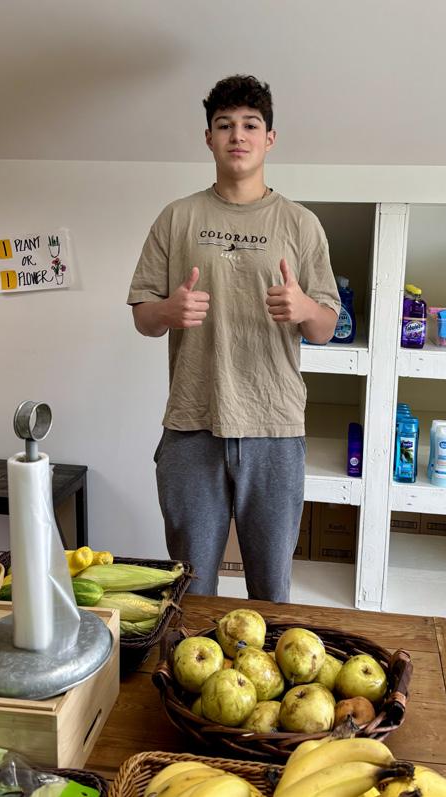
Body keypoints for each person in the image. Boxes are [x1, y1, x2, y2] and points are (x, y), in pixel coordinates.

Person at [127, 74, 340, 602]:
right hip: (192, 424)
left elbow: (325, 328)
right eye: (224, 125)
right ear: (209, 138)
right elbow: (144, 318)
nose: (237, 136)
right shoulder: (177, 217)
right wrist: (168, 310)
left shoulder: (300, 223)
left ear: (270, 138)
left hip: (274, 428)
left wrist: (304, 308)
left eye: (250, 125)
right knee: (190, 591)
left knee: (271, 591)